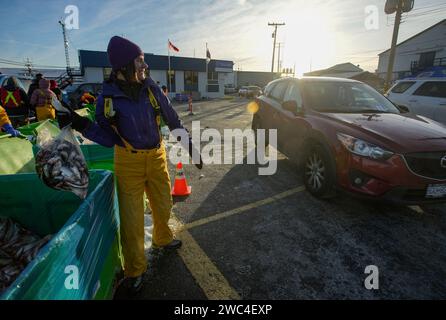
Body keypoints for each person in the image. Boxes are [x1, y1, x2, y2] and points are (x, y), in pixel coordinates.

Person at [60, 36, 203, 293]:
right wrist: (81, 124)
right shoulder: (107, 97)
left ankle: (162, 238)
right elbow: (107, 138)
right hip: (128, 161)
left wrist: (190, 147)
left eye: (143, 60)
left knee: (163, 205)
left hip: (157, 156)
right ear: (124, 65)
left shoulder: (152, 89)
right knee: (132, 220)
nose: (144, 65)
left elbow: (173, 120)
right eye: (139, 60)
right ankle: (135, 270)